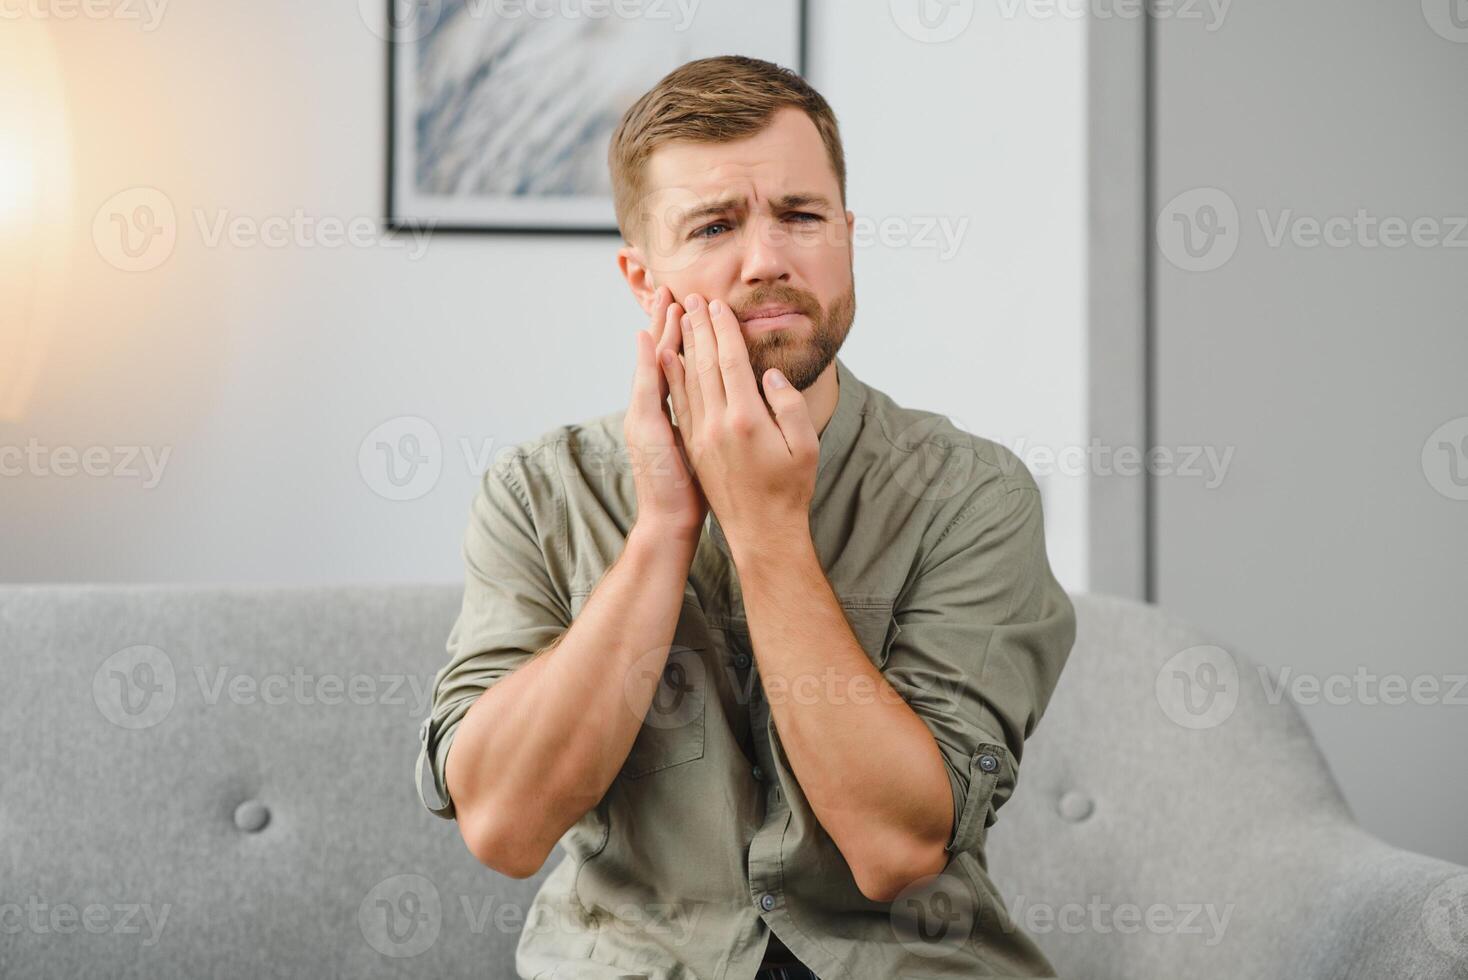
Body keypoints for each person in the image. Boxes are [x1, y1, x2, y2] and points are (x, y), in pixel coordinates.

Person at [415, 55, 1076, 980]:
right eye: (715, 225)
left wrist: (766, 530)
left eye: (802, 217)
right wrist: (662, 531)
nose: (767, 259)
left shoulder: (972, 494)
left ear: (846, 237)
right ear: (643, 278)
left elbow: (894, 847)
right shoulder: (539, 491)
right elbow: (505, 826)